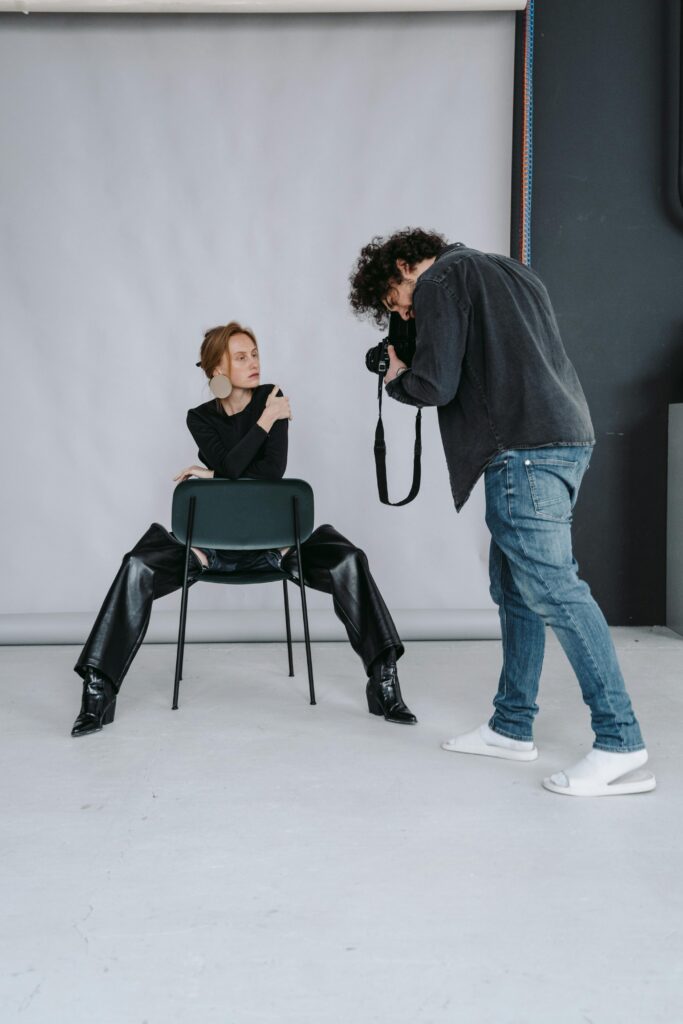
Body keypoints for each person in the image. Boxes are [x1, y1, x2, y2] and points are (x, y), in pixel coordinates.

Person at [348, 229, 655, 797]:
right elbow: (488, 358)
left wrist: (396, 378)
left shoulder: (440, 279)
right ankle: (511, 726)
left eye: (396, 299)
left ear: (402, 266)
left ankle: (620, 741)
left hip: (522, 450)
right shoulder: (511, 272)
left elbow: (436, 386)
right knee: (515, 589)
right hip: (563, 435)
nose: (405, 309)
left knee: (556, 590)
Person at [71, 321, 416, 737]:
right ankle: (97, 692)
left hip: (276, 546)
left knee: (349, 560)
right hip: (210, 549)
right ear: (218, 369)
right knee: (136, 565)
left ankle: (384, 684)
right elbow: (236, 467)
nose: (253, 362)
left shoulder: (272, 397)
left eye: (254, 354)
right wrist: (256, 433)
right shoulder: (199, 418)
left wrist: (219, 465)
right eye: (240, 357)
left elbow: (270, 473)